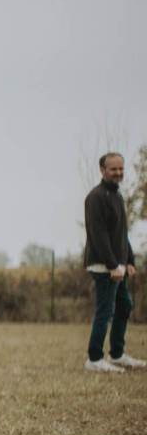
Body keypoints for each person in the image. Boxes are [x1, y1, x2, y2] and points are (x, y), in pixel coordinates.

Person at [83, 152, 143, 372]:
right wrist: (112, 265)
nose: (118, 173)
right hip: (103, 266)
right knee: (105, 311)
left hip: (118, 266)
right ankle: (94, 359)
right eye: (113, 169)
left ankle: (117, 354)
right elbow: (98, 235)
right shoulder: (95, 198)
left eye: (121, 169)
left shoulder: (117, 197)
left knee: (124, 306)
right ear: (102, 170)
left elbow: (120, 233)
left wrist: (128, 260)